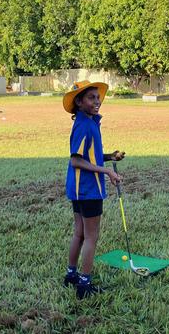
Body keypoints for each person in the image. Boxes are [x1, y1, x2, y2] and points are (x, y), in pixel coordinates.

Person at [62, 80, 125, 299]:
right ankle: (84, 284)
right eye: (91, 98)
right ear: (78, 102)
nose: (97, 101)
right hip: (87, 189)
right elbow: (76, 161)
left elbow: (90, 155)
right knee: (91, 236)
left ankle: (71, 275)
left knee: (80, 233)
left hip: (80, 189)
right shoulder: (84, 125)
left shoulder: (88, 122)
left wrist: (109, 157)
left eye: (98, 97)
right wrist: (106, 171)